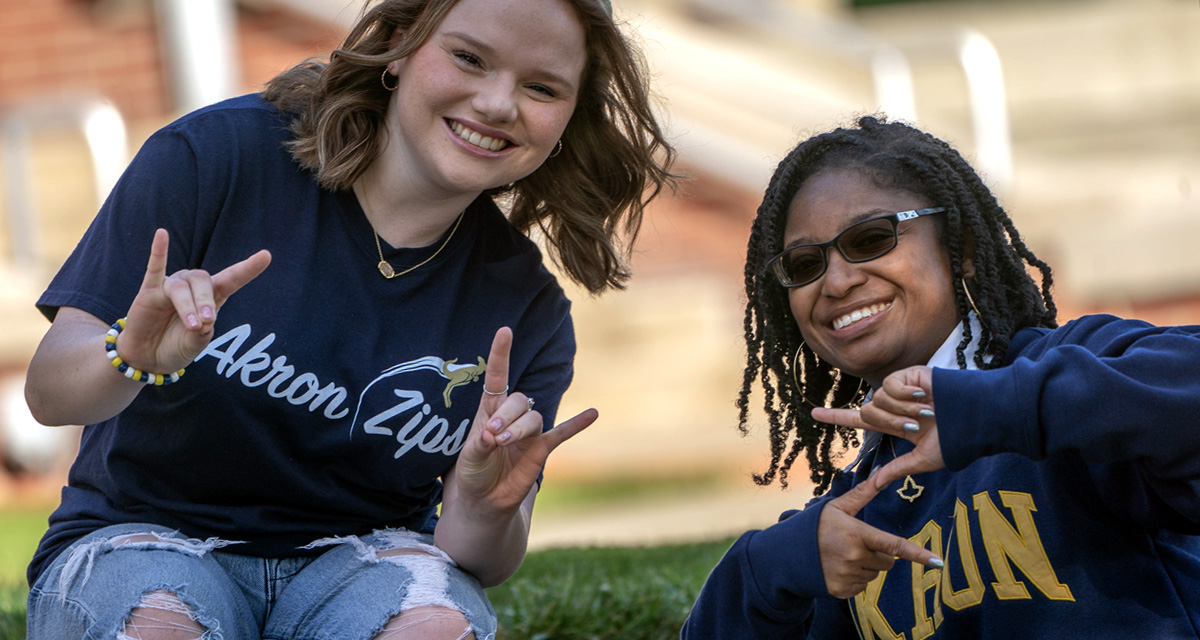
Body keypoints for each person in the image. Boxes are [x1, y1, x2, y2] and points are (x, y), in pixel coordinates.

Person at [23, 0, 676, 637]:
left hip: (361, 565)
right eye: (470, 58)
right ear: (399, 41)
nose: (499, 103)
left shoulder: (525, 308)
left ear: (569, 117)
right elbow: (49, 394)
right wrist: (128, 354)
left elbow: (482, 555)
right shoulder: (214, 158)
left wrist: (484, 505)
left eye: (541, 87)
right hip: (143, 540)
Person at [681, 116, 1200, 638]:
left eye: (871, 239)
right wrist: (765, 571)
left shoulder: (1072, 368)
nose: (836, 280)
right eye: (804, 264)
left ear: (964, 247)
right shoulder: (851, 515)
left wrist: (997, 408)